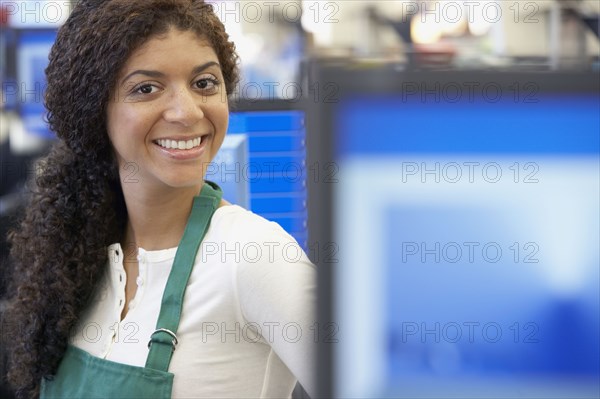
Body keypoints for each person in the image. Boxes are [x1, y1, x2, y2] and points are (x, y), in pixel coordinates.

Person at [1, 1, 316, 398]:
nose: (186, 112)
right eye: (146, 88)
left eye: (204, 83)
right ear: (95, 111)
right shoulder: (79, 256)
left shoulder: (256, 257)